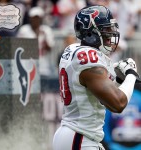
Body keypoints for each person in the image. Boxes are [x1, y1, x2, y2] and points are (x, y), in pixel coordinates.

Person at [53, 5, 139, 150]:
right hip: (80, 137)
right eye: (106, 30)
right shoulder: (88, 59)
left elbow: (97, 80)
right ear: (90, 32)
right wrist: (131, 74)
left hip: (77, 135)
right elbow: (118, 103)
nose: (111, 34)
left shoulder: (74, 50)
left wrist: (117, 69)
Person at [17, 6, 55, 77]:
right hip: (26, 64)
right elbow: (18, 47)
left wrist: (44, 37)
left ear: (41, 19)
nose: (35, 20)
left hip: (43, 65)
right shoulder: (24, 30)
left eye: (37, 18)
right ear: (30, 18)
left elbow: (49, 48)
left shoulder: (46, 30)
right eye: (34, 18)